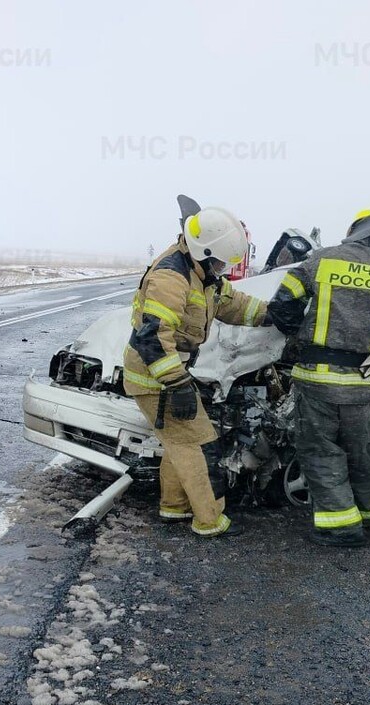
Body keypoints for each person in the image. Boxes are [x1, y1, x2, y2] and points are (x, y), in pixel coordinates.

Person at [267, 207, 370, 547]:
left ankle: (342, 527)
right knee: (361, 453)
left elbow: (281, 305)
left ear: (355, 231)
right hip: (365, 387)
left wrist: (299, 337)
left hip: (318, 382)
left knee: (321, 451)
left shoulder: (321, 260)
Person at [123, 205, 271, 537]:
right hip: (155, 377)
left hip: (164, 374)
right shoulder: (171, 276)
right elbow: (152, 337)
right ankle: (210, 520)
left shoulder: (202, 274)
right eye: (222, 262)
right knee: (201, 443)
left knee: (178, 441)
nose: (224, 269)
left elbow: (231, 303)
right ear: (204, 252)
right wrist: (177, 385)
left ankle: (173, 507)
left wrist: (271, 314)